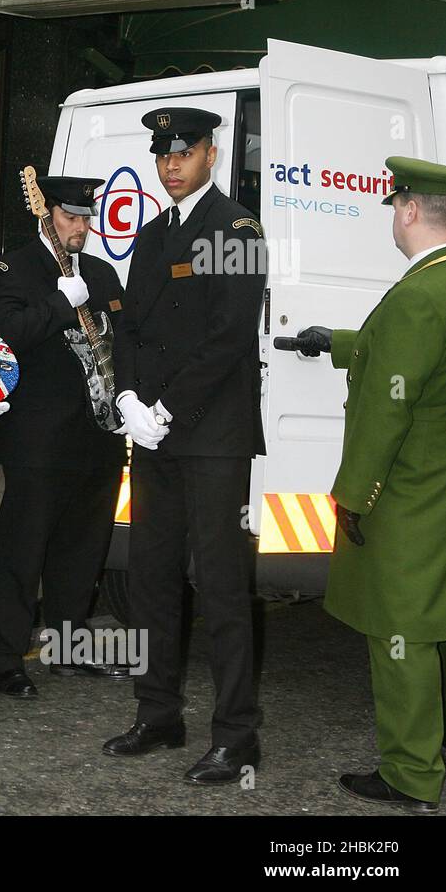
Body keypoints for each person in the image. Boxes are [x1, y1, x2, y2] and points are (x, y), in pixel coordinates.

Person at [103, 106, 267, 784]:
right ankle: (158, 712)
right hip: (156, 435)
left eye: (184, 153)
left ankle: (238, 736)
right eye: (162, 155)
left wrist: (167, 406)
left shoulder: (237, 229)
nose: (171, 165)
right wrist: (130, 399)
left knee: (223, 586)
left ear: (211, 153)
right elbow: (132, 325)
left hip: (211, 437)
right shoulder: (153, 233)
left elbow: (229, 338)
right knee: (151, 577)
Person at [297, 156, 446, 814]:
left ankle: (411, 774)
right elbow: (407, 355)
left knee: (401, 634)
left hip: (410, 494)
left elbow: (391, 405)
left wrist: (353, 494)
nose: (392, 215)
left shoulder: (418, 294)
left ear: (411, 210)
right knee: (437, 624)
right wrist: (337, 342)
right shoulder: (439, 286)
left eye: (393, 206)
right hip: (439, 485)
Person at [0, 175, 129, 698]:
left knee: (81, 551)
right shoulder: (12, 268)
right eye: (71, 217)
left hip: (98, 439)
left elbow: (124, 344)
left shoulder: (104, 275)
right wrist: (62, 303)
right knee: (22, 551)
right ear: (45, 215)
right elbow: (4, 335)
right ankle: (2, 658)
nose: (82, 228)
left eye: (88, 218)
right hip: (40, 440)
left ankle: (68, 649)